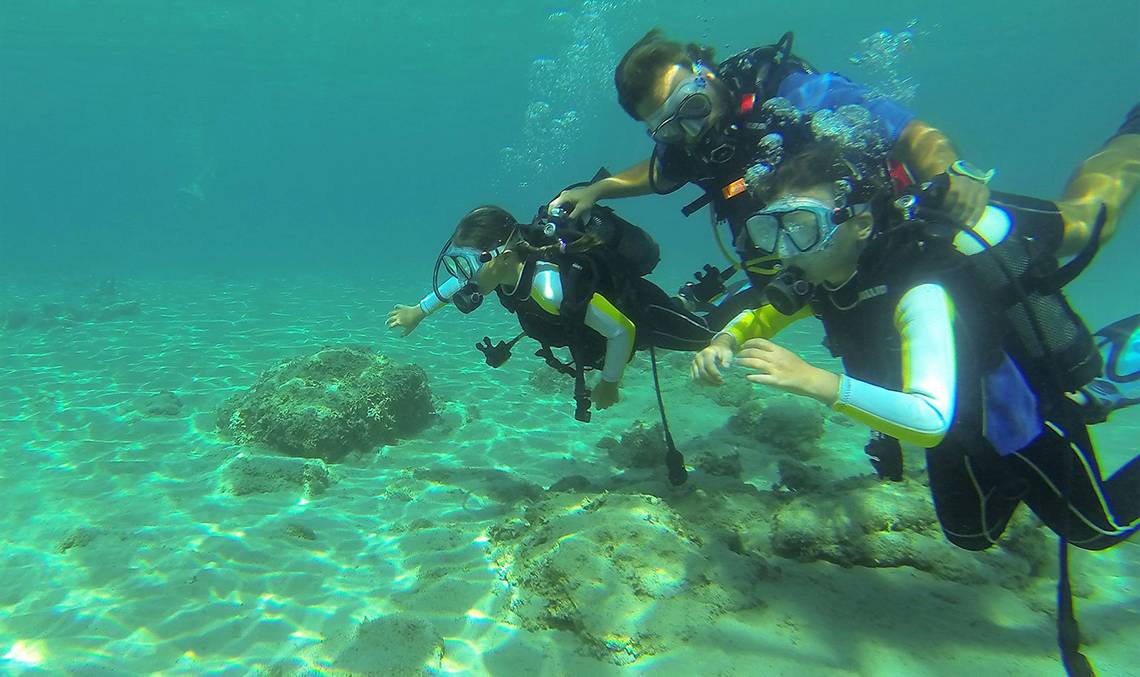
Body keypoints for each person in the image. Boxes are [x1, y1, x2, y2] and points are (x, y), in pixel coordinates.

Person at [689, 111, 1139, 671]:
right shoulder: (825, 274)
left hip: (1019, 421)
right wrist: (724, 340)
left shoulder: (919, 288)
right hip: (959, 432)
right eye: (770, 230)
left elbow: (929, 418)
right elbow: (763, 314)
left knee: (1098, 531)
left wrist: (816, 382)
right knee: (971, 537)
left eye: (801, 226)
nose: (785, 250)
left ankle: (1106, 372)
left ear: (857, 223)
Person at [549, 29, 993, 294]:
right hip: (809, 267)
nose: (690, 130)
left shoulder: (788, 91)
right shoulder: (686, 145)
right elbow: (657, 173)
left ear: (705, 72)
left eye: (692, 106)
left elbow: (912, 132)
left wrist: (951, 171)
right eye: (667, 128)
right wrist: (598, 189)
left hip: (887, 233)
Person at [386, 203, 715, 419]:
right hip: (602, 331)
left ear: (500, 256)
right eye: (456, 263)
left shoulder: (549, 289)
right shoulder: (499, 272)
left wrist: (610, 382)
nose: (462, 275)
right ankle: (688, 298)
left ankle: (745, 297)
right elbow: (455, 285)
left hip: (642, 316)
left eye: (467, 265)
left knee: (710, 338)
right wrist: (419, 311)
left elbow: (622, 330)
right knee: (689, 318)